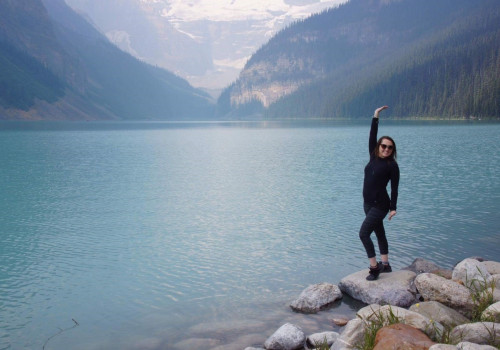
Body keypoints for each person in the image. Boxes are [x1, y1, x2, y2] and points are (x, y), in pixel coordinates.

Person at [359, 106, 400, 281]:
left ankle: (374, 268)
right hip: (367, 203)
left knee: (363, 233)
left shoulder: (392, 166)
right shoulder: (373, 156)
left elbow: (394, 188)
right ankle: (386, 264)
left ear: (392, 150)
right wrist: (375, 116)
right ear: (379, 146)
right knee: (379, 232)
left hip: (380, 205)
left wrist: (393, 208)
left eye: (390, 148)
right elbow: (372, 135)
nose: (386, 149)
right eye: (383, 146)